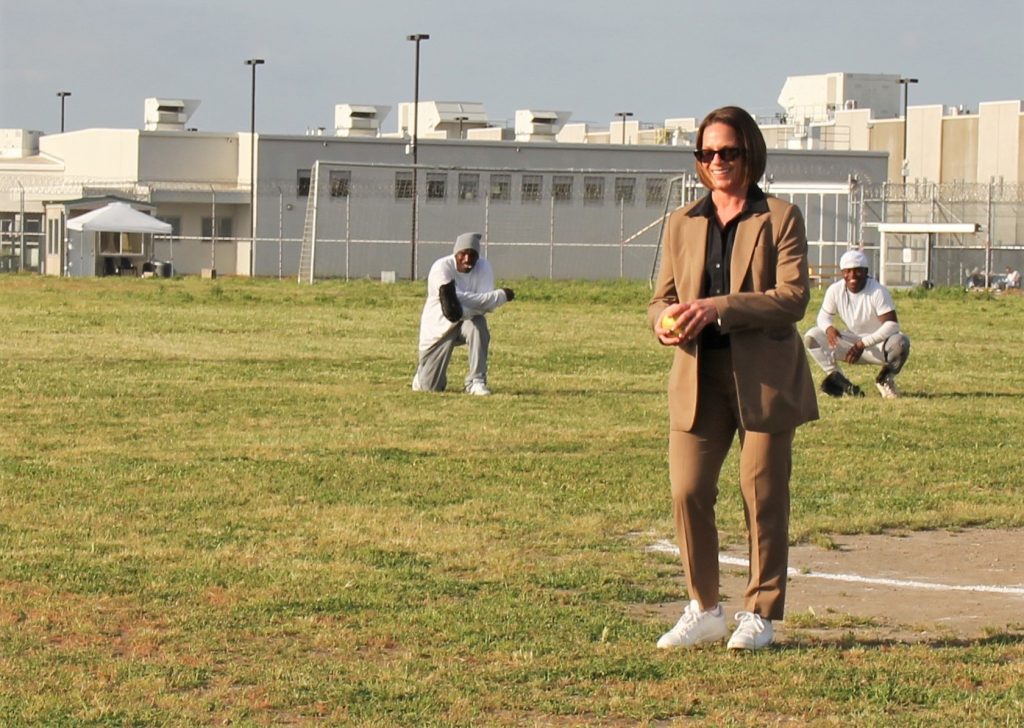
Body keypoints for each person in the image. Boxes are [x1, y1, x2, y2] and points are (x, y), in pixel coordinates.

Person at [649, 106, 818, 651]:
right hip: (699, 377)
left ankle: (760, 613)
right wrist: (664, 325)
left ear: (750, 152)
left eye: (728, 152)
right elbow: (662, 299)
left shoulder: (782, 217)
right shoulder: (682, 222)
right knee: (688, 490)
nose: (716, 162)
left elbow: (792, 299)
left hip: (764, 379)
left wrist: (719, 307)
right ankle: (703, 607)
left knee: (761, 494)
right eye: (706, 153)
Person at [412, 232, 514, 396]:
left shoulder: (484, 267)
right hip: (439, 329)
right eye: (463, 254)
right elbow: (452, 305)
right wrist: (500, 296)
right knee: (430, 388)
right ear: (455, 254)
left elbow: (485, 306)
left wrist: (481, 303)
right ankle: (422, 376)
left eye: (472, 255)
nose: (467, 260)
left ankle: (476, 381)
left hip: (467, 321)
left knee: (478, 324)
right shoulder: (441, 267)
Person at [803, 249, 911, 400]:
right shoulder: (835, 290)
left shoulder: (877, 291)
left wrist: (863, 344)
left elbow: (892, 325)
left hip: (879, 346)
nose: (852, 276)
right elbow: (823, 316)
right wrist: (828, 329)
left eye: (857, 271)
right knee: (811, 337)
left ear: (866, 271)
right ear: (842, 273)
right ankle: (838, 380)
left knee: (901, 342)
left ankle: (885, 379)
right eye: (848, 271)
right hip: (852, 343)